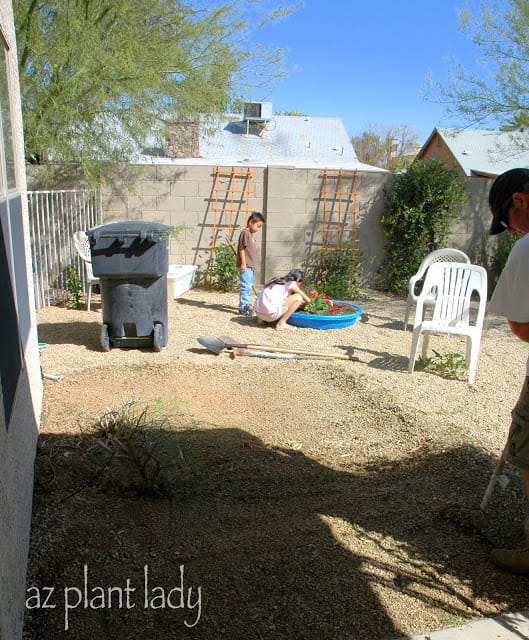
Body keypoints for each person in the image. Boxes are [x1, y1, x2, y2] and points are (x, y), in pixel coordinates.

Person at [486, 167, 529, 575]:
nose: (510, 230)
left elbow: (521, 326)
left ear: (520, 200)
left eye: (506, 221)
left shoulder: (528, 248)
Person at [236, 212, 265, 316]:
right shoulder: (245, 233)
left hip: (249, 266)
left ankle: (246, 304)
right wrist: (243, 263)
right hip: (246, 266)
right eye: (258, 226)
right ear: (250, 222)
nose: (258, 229)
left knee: (248, 285)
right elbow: (241, 248)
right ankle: (244, 307)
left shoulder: (249, 234)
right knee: (246, 286)